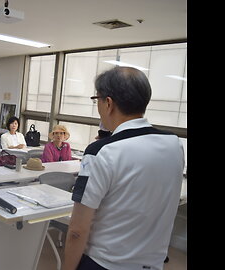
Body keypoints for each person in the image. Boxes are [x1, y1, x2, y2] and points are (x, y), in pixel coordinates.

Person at [63, 67, 184, 270]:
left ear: (108, 103)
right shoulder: (174, 144)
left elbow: (77, 230)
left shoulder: (100, 152)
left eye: (97, 100)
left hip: (104, 263)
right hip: (152, 264)